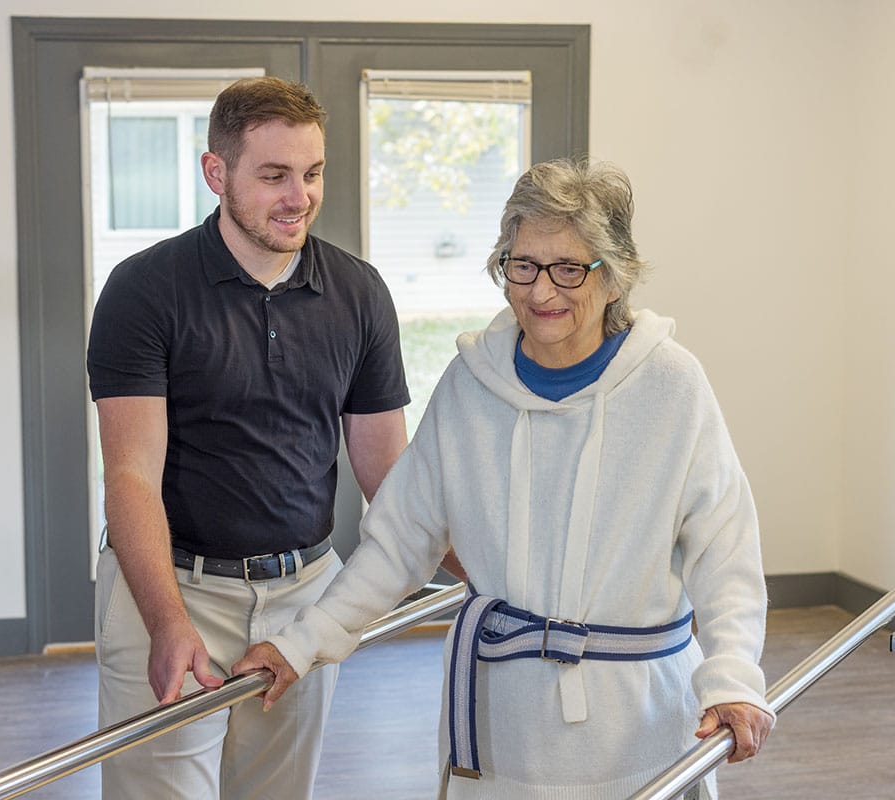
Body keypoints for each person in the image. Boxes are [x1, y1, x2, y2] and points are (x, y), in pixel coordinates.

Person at [234, 158, 774, 799]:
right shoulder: (469, 386)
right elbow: (397, 545)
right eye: (523, 265)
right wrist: (303, 643)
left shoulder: (672, 387)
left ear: (613, 276)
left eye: (569, 268)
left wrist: (734, 675)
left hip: (639, 725)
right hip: (501, 724)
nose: (541, 292)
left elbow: (725, 552)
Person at [86, 76, 410, 800]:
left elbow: (388, 472)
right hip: (170, 590)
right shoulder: (144, 290)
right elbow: (130, 476)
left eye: (312, 173)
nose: (300, 196)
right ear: (216, 173)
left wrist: (489, 570)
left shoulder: (358, 293)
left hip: (303, 598)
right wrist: (168, 624)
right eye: (273, 176)